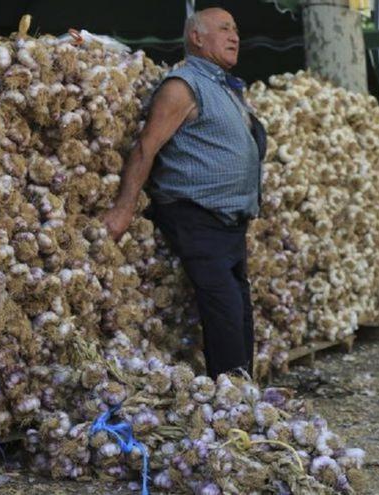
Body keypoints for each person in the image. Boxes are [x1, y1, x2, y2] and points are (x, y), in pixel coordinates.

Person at [102, 8, 265, 379]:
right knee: (223, 304)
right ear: (197, 37)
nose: (234, 36)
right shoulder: (183, 86)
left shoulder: (225, 88)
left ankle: (242, 389)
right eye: (224, 29)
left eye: (236, 29)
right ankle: (230, 397)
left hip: (230, 222)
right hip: (196, 215)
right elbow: (146, 147)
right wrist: (123, 209)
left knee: (238, 307)